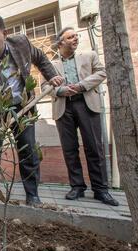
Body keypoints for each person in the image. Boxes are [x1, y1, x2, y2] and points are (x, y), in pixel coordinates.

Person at [0, 16, 63, 205]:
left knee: (27, 148)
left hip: (24, 105)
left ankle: (32, 194)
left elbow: (41, 59)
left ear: (4, 34)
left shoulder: (21, 43)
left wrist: (52, 76)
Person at [41, 27, 118, 206]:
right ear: (60, 43)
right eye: (71, 37)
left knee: (94, 147)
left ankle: (100, 190)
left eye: (76, 36)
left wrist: (82, 85)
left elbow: (101, 73)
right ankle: (77, 186)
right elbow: (45, 86)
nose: (75, 39)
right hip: (63, 107)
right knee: (69, 149)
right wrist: (60, 90)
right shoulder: (52, 66)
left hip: (86, 104)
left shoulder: (89, 56)